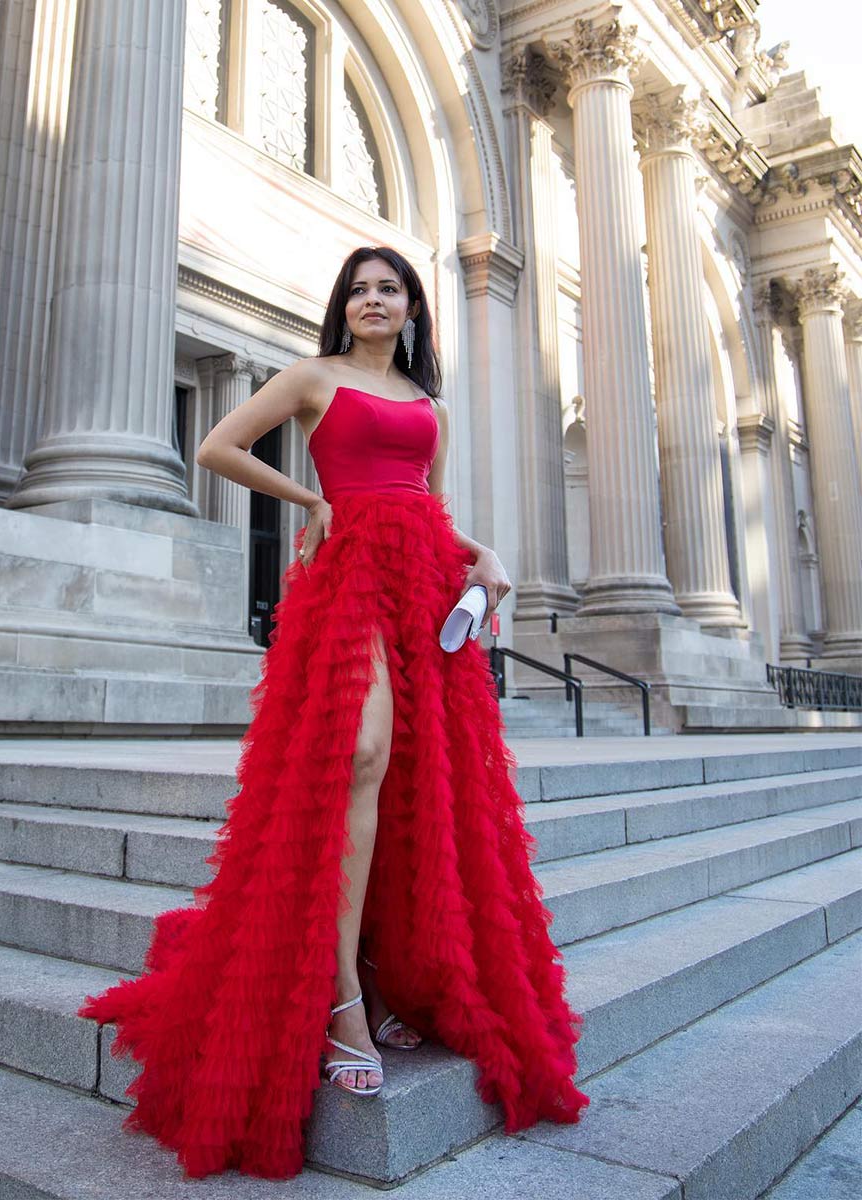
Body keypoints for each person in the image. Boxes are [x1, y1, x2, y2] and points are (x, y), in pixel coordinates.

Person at [79, 245, 589, 1180]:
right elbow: (216, 445)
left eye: (388, 289)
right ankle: (338, 992)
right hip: (347, 580)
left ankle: (379, 969)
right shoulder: (311, 378)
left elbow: (426, 507)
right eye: (358, 290)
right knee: (358, 755)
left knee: (407, 782)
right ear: (343, 306)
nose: (371, 301)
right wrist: (309, 496)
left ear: (412, 308)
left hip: (422, 582)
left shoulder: (431, 408)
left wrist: (484, 557)